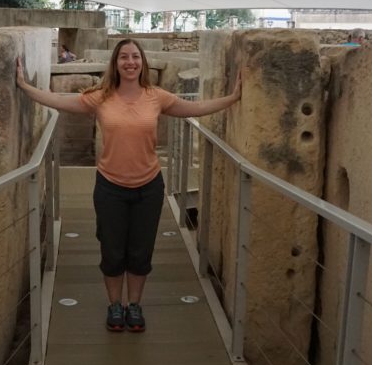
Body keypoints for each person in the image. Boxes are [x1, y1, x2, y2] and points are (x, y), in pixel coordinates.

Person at [16, 39, 241, 333]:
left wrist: (233, 98)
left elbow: (196, 108)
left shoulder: (156, 97)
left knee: (140, 251)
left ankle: (134, 304)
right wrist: (24, 86)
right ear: (116, 63)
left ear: (142, 62)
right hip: (110, 187)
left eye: (135, 56)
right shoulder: (100, 98)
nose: (130, 62)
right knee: (112, 250)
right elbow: (57, 101)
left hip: (149, 187)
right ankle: (115, 305)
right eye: (124, 57)